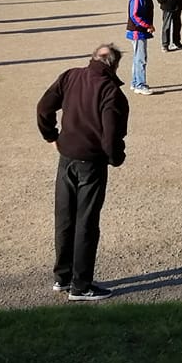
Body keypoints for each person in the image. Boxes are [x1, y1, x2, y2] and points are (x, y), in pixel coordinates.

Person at [36, 43, 130, 302]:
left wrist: (51, 135)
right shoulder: (110, 91)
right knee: (86, 223)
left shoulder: (70, 76)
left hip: (66, 157)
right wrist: (115, 157)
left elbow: (44, 108)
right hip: (91, 162)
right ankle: (81, 285)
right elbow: (111, 134)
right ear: (114, 65)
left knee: (65, 218)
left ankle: (62, 277)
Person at [125, 0, 155, 95]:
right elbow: (134, 15)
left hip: (140, 30)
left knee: (138, 58)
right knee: (141, 58)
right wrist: (147, 25)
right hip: (137, 31)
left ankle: (135, 82)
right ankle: (139, 84)